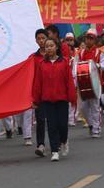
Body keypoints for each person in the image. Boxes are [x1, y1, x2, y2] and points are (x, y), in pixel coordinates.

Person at [32, 31, 77, 161]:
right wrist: (36, 99)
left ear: (56, 47)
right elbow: (38, 83)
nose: (49, 48)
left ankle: (64, 140)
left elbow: (69, 81)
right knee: (51, 126)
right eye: (47, 47)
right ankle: (54, 150)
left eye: (51, 46)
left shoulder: (64, 62)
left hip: (62, 99)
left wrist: (72, 98)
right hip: (47, 100)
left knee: (62, 125)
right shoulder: (42, 64)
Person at [76, 29, 104, 138]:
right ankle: (91, 124)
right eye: (87, 38)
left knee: (95, 106)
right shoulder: (80, 53)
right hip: (83, 84)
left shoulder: (100, 53)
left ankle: (96, 129)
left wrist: (95, 66)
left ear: (95, 40)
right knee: (83, 107)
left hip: (95, 83)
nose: (88, 40)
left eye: (91, 38)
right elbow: (75, 67)